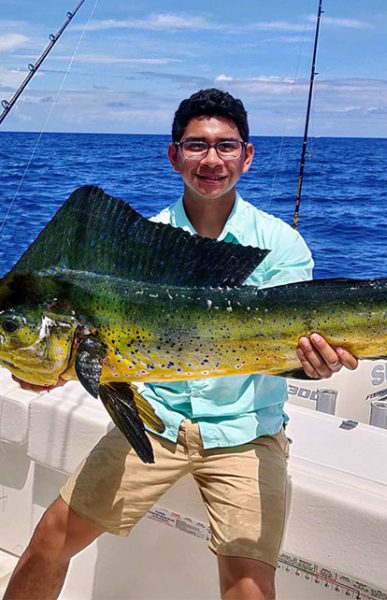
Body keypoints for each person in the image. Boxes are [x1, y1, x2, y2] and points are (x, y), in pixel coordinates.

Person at [3, 88, 357, 600]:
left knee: (249, 590)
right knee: (46, 545)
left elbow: (289, 348)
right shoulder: (142, 243)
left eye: (226, 146)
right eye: (196, 145)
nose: (211, 159)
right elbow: (90, 350)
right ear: (174, 155)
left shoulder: (282, 245)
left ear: (247, 155)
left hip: (245, 433)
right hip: (155, 421)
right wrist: (41, 370)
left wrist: (313, 364)